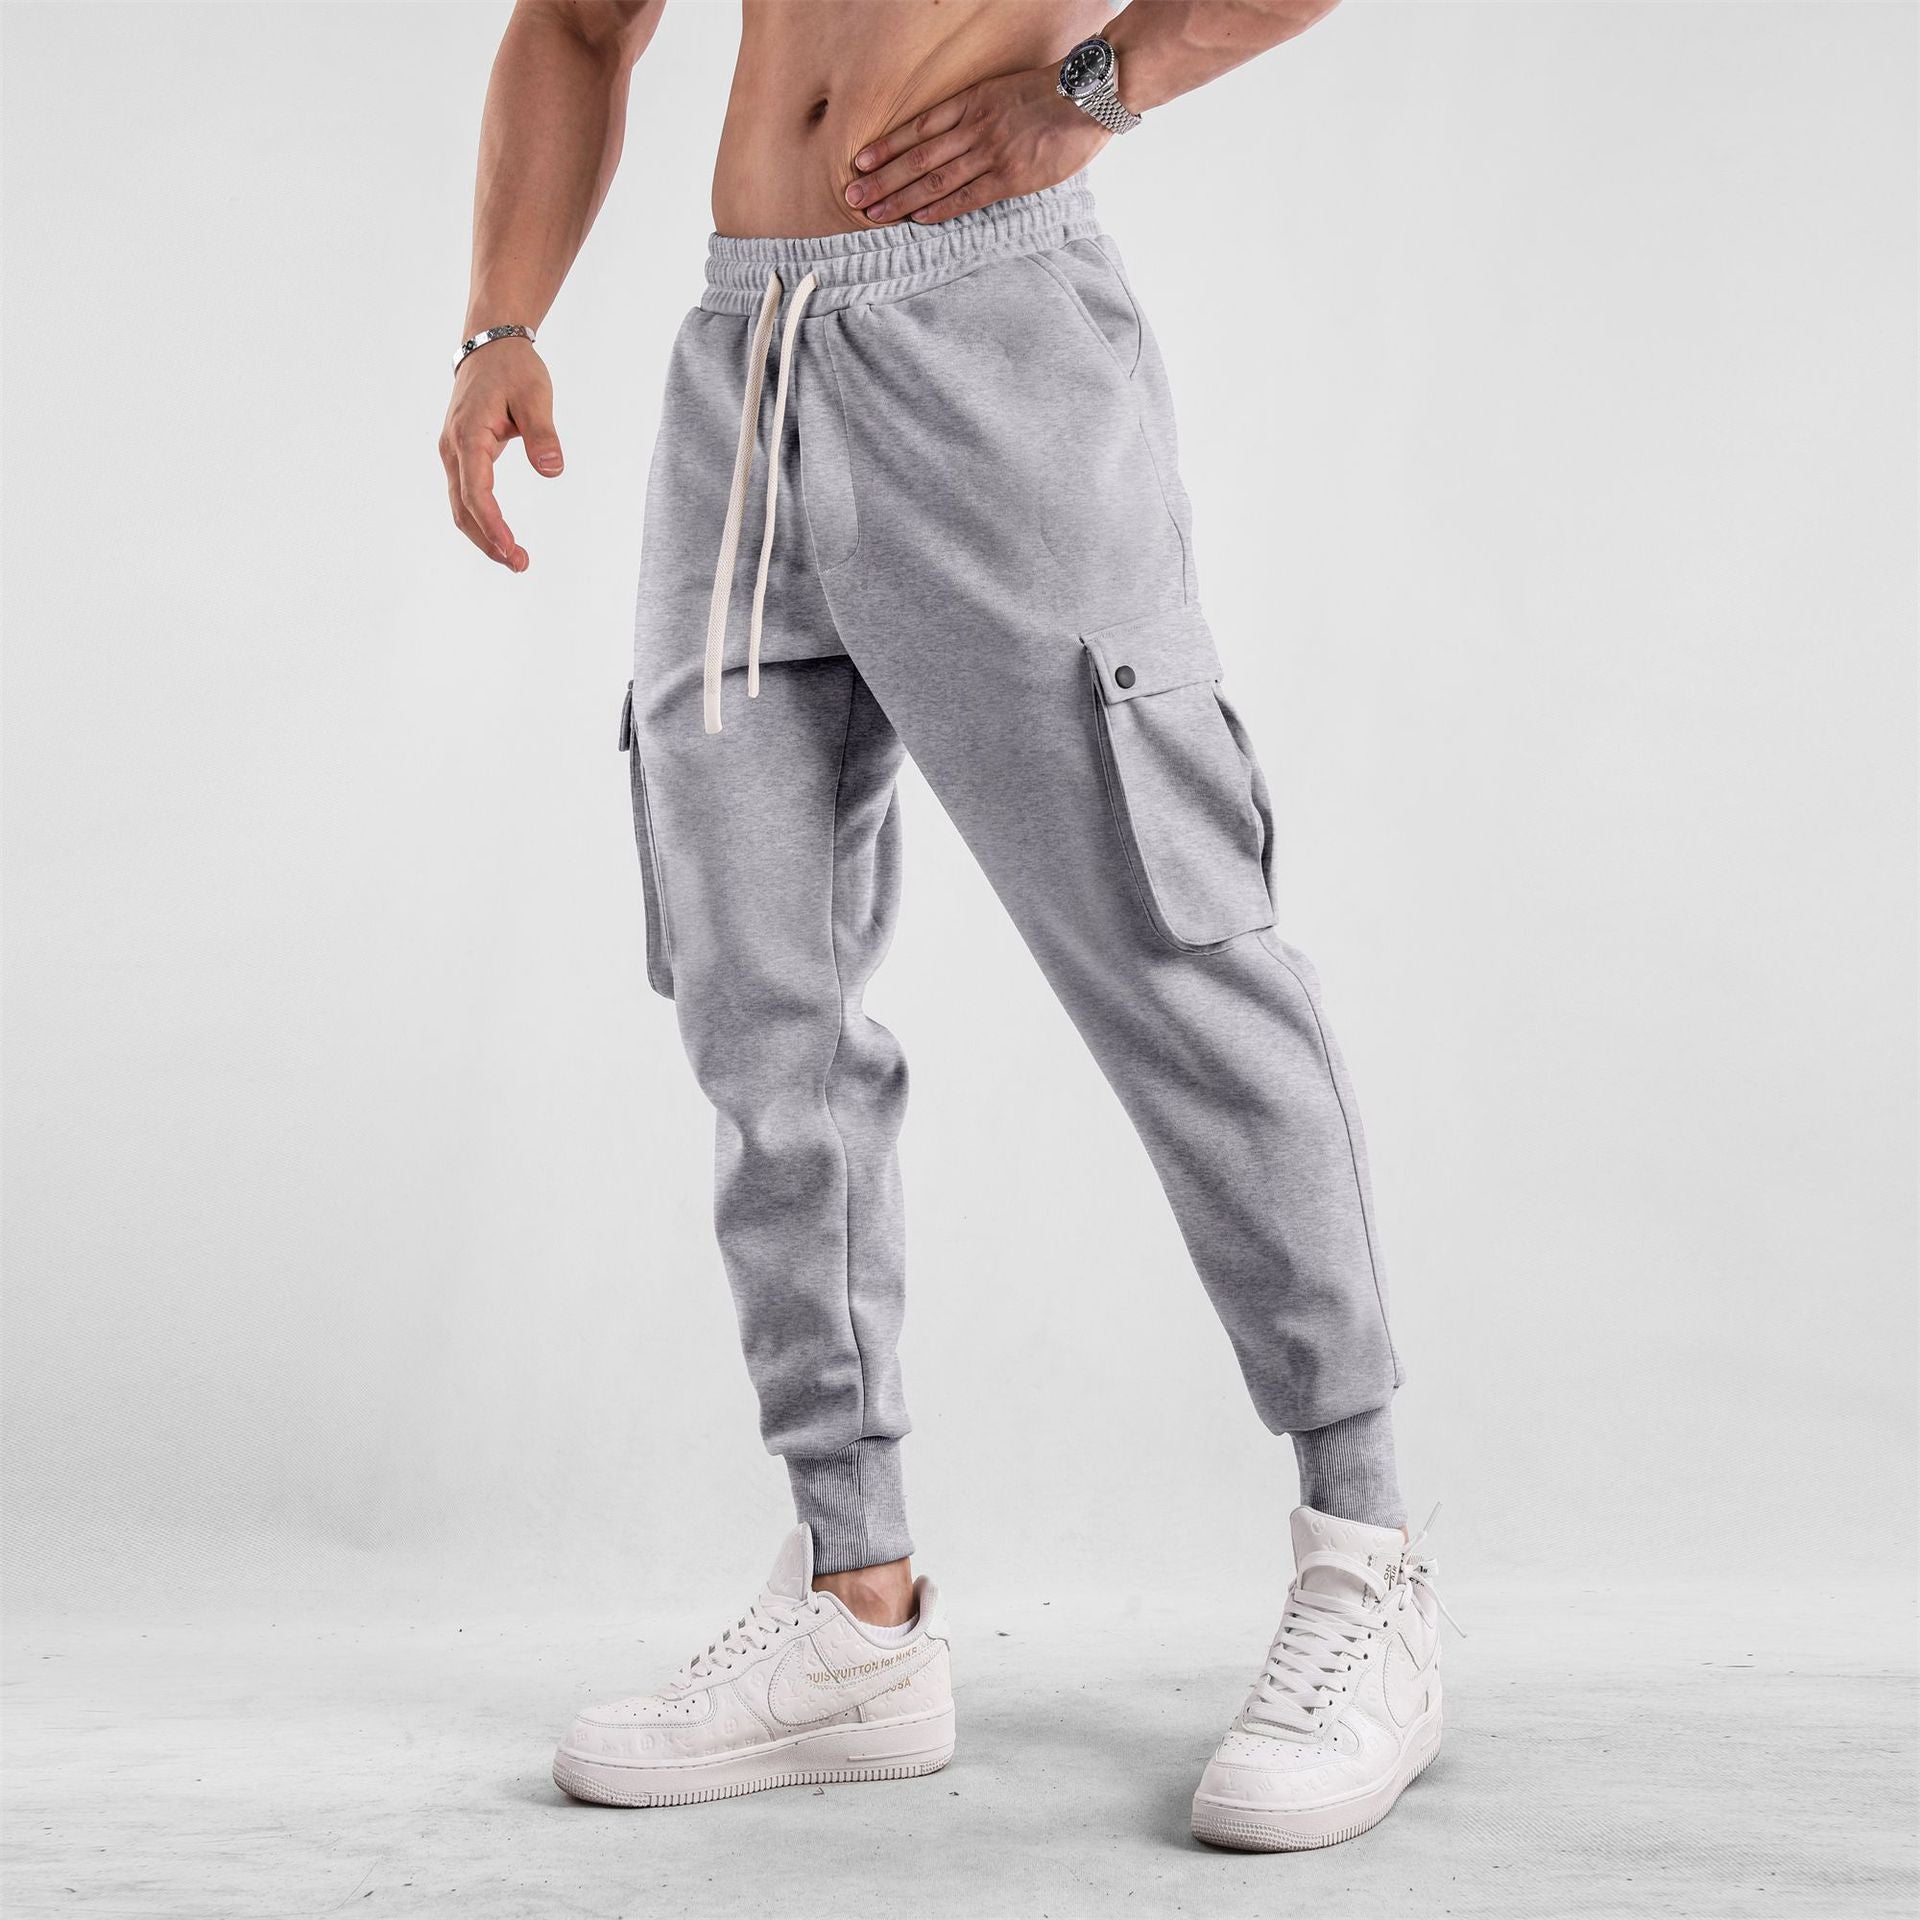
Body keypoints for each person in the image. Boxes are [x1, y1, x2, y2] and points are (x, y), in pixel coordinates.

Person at [441, 0, 1446, 1852]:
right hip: (741, 368)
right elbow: (578, 25)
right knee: (762, 1006)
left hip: (991, 340)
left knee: (1174, 952)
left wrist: (1098, 89)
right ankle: (855, 1604)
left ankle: (1368, 1561)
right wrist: (504, 321)